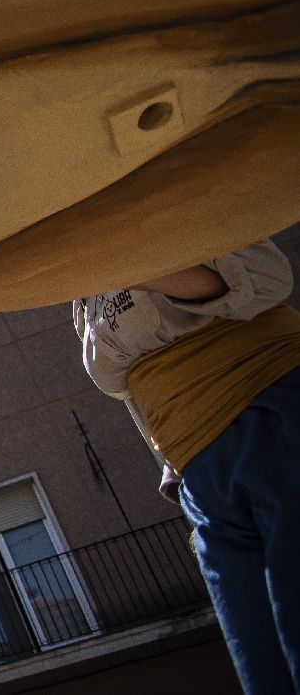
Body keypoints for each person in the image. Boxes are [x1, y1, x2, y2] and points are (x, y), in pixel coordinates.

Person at [72, 239, 299, 695]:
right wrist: (173, 470)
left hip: (270, 416)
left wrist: (111, 258)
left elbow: (266, 277)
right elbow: (137, 392)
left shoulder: (171, 214)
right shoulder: (78, 298)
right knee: (261, 661)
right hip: (199, 475)